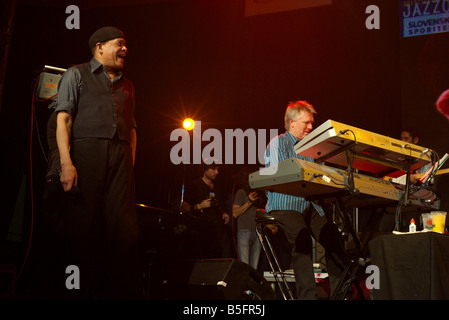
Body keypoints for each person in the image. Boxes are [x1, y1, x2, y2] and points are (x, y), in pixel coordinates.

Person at [55, 26, 140, 299]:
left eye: (125, 44)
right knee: (83, 228)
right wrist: (66, 164)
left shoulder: (128, 85)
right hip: (87, 151)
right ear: (99, 47)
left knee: (124, 231)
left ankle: (112, 291)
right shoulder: (76, 74)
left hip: (120, 156)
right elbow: (63, 119)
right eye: (119, 44)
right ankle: (77, 290)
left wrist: (129, 163)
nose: (125, 49)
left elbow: (134, 130)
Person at [264, 100, 347, 300]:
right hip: (286, 204)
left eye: (312, 123)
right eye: (306, 123)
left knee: (334, 241)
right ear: (292, 122)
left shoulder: (313, 148)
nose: (311, 127)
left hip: (310, 204)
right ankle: (307, 298)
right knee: (302, 241)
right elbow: (280, 176)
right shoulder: (278, 143)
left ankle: (341, 294)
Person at [180, 161, 234, 258]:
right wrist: (199, 206)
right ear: (204, 170)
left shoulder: (217, 186)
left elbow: (218, 204)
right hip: (202, 229)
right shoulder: (194, 186)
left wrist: (223, 212)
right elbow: (183, 208)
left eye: (217, 169)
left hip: (219, 229)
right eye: (213, 169)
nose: (217, 172)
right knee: (206, 258)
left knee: (225, 256)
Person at [232, 168, 265, 270]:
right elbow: (235, 213)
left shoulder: (260, 194)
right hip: (244, 231)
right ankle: (244, 286)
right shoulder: (241, 192)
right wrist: (249, 202)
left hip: (257, 231)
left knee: (254, 266)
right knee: (244, 265)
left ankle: (252, 286)